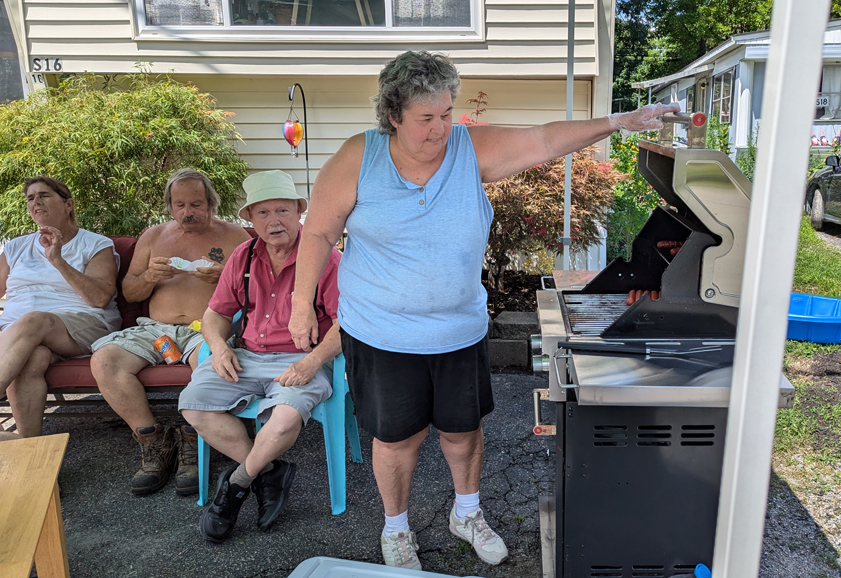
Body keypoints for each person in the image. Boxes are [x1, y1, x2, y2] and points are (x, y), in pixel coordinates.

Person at [288, 50, 679, 570]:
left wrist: (620, 121)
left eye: (447, 113)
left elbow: (543, 140)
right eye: (426, 118)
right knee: (397, 439)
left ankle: (466, 513)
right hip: (381, 333)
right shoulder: (359, 157)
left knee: (462, 431)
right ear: (393, 116)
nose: (439, 129)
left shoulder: (469, 150)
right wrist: (300, 303)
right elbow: (316, 230)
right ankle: (397, 529)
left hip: (458, 330)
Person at [179, 170, 342, 543]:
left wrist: (312, 363)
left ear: (300, 211)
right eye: (263, 213)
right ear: (250, 219)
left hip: (301, 359)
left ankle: (235, 487)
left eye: (283, 210)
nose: (274, 221)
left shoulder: (325, 258)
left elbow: (344, 324)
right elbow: (217, 313)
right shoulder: (243, 256)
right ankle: (268, 469)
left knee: (283, 421)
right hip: (247, 355)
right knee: (193, 405)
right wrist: (219, 347)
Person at [90, 168, 250, 496]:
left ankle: (193, 441)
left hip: (207, 325)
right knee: (106, 361)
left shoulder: (236, 238)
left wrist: (224, 280)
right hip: (155, 330)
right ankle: (154, 442)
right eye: (180, 205)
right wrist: (148, 277)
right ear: (170, 206)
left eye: (196, 204)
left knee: (208, 363)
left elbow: (260, 290)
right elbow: (130, 293)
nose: (188, 213)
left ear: (211, 203)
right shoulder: (152, 237)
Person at [0, 176, 120, 439]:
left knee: (34, 320)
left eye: (44, 195)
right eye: (30, 198)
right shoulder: (16, 247)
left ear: (68, 205)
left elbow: (99, 298)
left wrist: (57, 260)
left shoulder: (96, 244)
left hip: (81, 324)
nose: (36, 202)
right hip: (18, 333)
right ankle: (28, 450)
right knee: (33, 358)